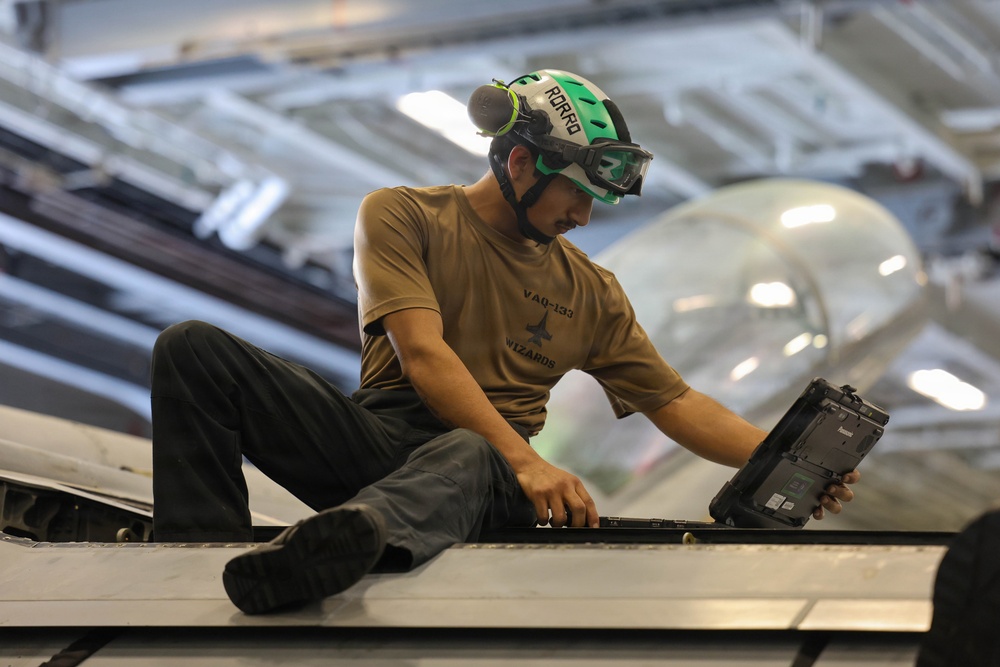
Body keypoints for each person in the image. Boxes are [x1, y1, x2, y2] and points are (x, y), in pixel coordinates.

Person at [150, 69, 859, 615]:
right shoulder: (401, 214)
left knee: (469, 448)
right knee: (193, 348)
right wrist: (531, 461)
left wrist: (789, 459)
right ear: (519, 162)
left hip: (486, 478)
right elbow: (422, 355)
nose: (584, 214)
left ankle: (346, 542)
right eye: (575, 193)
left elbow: (676, 403)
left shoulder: (593, 289)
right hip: (392, 437)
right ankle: (194, 563)